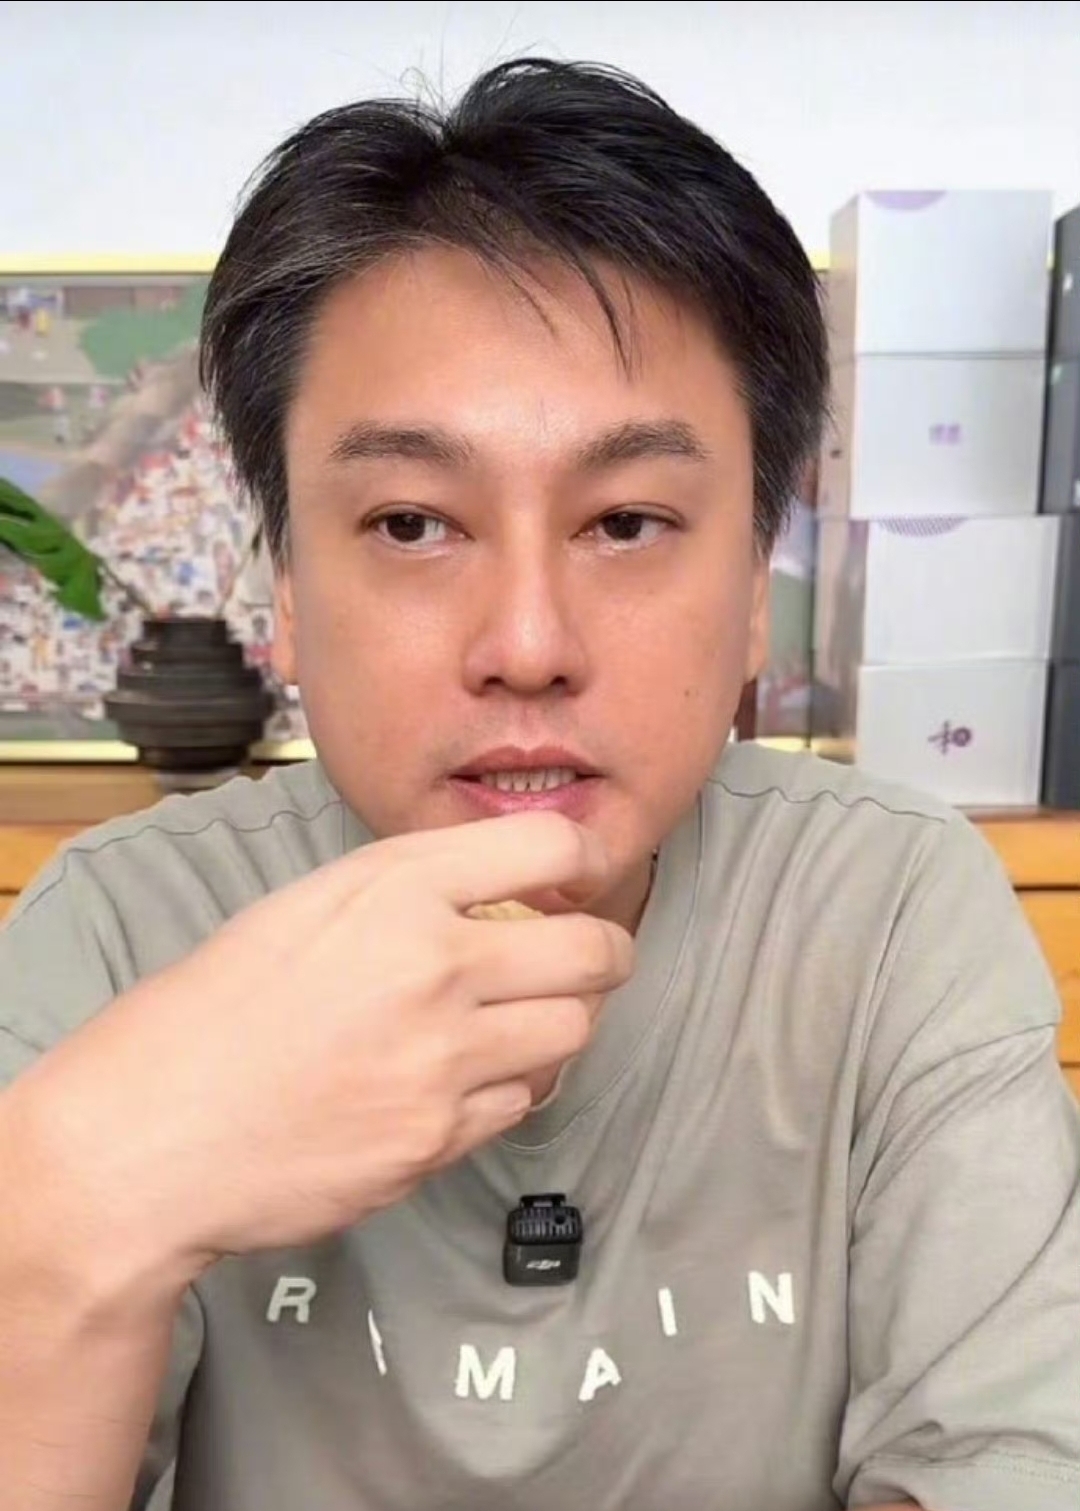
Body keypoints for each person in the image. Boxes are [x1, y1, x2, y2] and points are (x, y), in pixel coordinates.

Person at [0, 57, 1077, 1511]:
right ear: (288, 594)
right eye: (411, 523)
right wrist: (87, 1202)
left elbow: (1005, 1456)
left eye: (626, 522)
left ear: (755, 596)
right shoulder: (125, 931)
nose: (526, 646)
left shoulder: (888, 906)